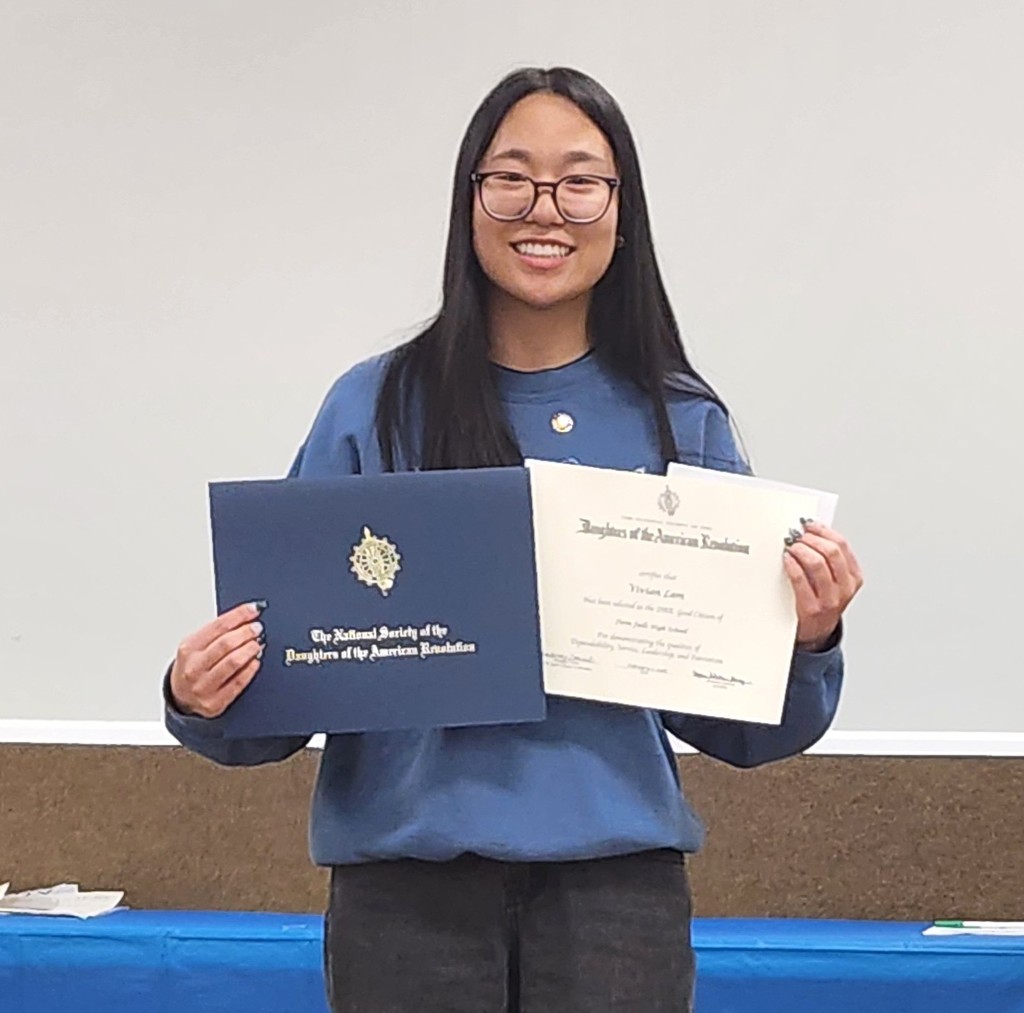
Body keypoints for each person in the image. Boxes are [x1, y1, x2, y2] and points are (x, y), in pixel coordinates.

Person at [165, 66, 863, 1013]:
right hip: (406, 902)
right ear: (471, 199)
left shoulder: (680, 422)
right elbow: (290, 685)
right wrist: (202, 693)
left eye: (581, 180)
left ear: (622, 212)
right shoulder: (374, 405)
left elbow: (746, 727)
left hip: (617, 898)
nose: (547, 207)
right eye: (513, 178)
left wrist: (808, 638)